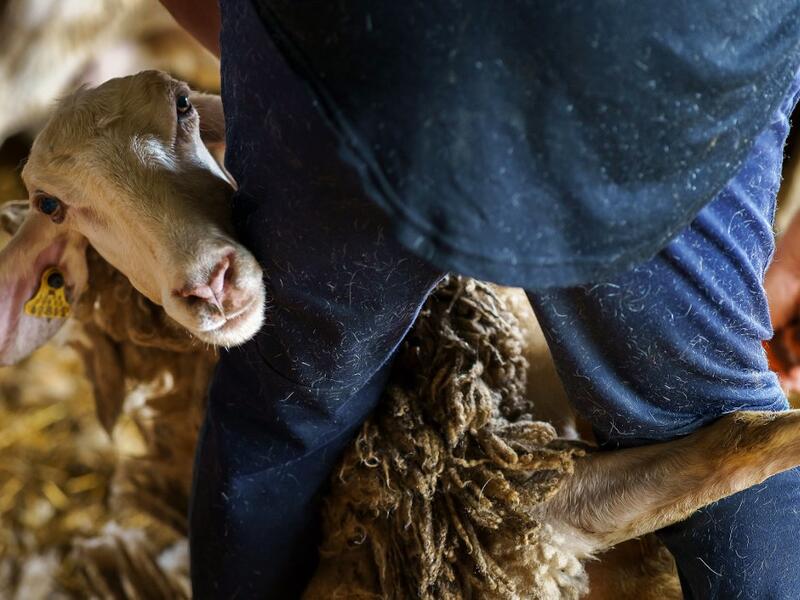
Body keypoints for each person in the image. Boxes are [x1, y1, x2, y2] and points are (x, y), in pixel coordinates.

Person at [160, 1, 800, 597]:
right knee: (717, 422)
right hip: (663, 70)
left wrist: (310, 79)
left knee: (282, 410)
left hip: (380, 42)